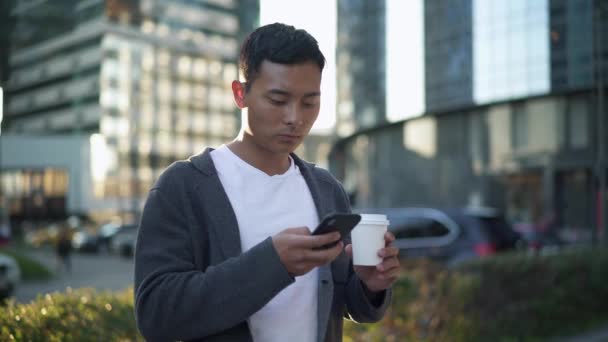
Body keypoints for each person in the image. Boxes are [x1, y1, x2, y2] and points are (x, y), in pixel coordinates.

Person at [134, 23, 400, 342]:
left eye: (309, 102)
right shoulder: (184, 186)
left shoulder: (326, 189)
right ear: (240, 93)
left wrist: (370, 285)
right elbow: (156, 315)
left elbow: (343, 303)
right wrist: (272, 264)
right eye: (278, 100)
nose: (295, 118)